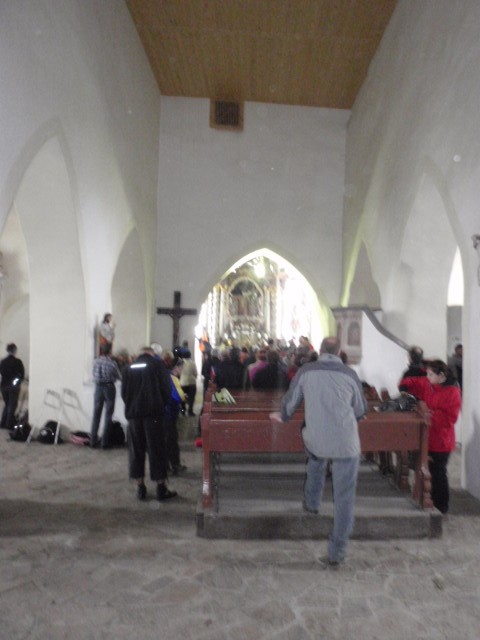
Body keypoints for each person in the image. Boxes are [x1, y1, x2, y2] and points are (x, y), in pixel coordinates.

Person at [271, 337, 367, 567]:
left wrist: (284, 415)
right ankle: (336, 552)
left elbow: (291, 401)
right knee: (344, 497)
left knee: (315, 461)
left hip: (316, 438)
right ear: (339, 352)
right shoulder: (350, 374)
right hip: (345, 442)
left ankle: (312, 503)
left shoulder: (306, 371)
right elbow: (360, 409)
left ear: (321, 350)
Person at [399, 359, 461, 514]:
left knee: (438, 473)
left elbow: (449, 419)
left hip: (441, 440)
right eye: (427, 374)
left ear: (441, 376)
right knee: (427, 471)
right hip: (426, 438)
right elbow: (413, 381)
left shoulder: (452, 392)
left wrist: (427, 414)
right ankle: (428, 500)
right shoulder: (429, 384)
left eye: (431, 374)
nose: (427, 377)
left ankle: (441, 506)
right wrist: (404, 387)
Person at [121, 346, 177, 501]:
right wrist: (160, 405)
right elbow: (167, 390)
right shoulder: (158, 365)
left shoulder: (128, 368)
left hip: (134, 416)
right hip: (153, 415)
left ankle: (140, 488)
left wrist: (133, 405)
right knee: (157, 450)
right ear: (152, 354)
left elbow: (124, 393)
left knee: (136, 451)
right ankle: (161, 488)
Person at [90, 343, 121, 448]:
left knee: (96, 414)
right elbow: (118, 376)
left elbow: (93, 374)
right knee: (108, 415)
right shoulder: (112, 363)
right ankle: (104, 442)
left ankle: (93, 440)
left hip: (98, 387)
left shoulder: (95, 361)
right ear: (110, 351)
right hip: (109, 387)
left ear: (102, 351)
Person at [0, 343, 25, 430]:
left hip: (3, 386)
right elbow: (21, 375)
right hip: (13, 387)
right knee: (12, 405)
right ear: (15, 350)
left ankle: (3, 422)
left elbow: (1, 373)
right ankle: (9, 424)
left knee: (7, 404)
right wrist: (16, 382)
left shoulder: (3, 361)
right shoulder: (18, 362)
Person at [179, 350, 198, 416]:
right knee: (191, 398)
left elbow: (178, 372)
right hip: (191, 382)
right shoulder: (193, 363)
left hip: (183, 382)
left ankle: (183, 411)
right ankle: (190, 411)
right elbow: (195, 373)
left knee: (183, 397)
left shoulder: (180, 363)